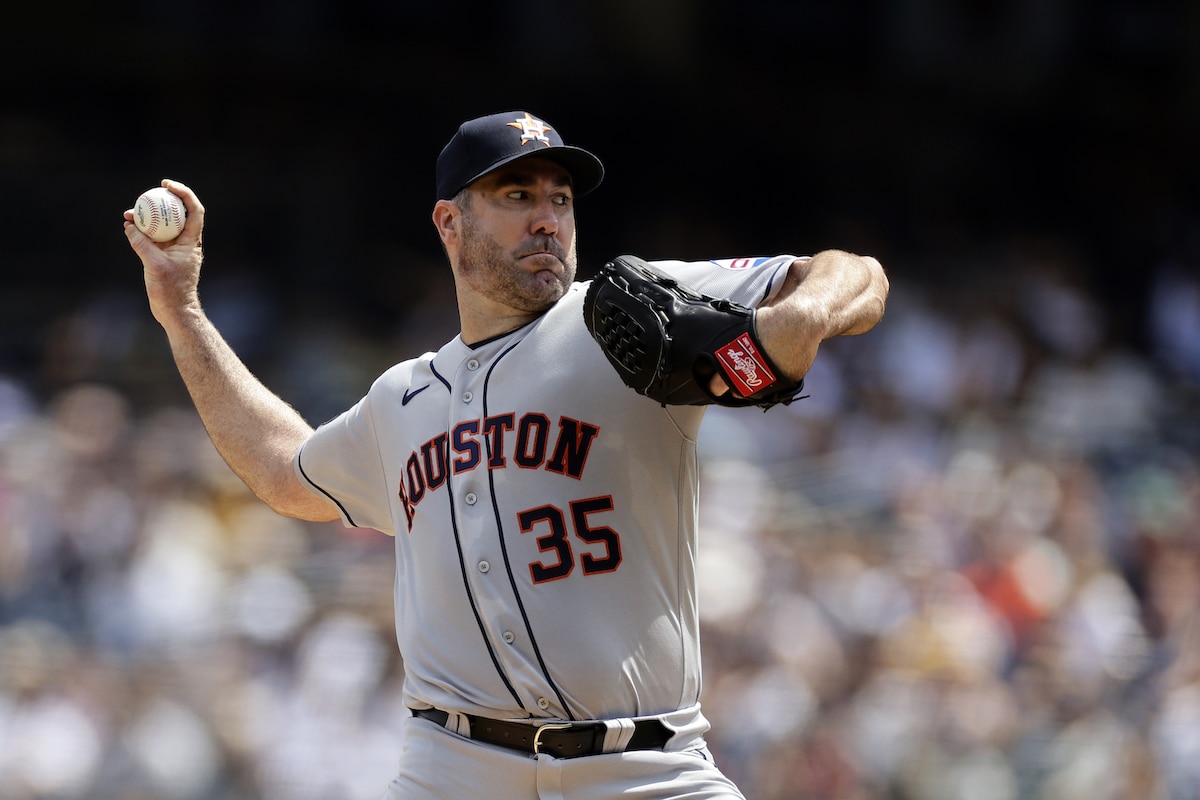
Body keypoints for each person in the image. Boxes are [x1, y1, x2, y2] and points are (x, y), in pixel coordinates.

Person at [123, 110, 889, 800]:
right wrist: (181, 310)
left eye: (560, 197)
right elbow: (286, 474)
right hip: (450, 771)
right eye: (517, 196)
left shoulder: (619, 313)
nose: (548, 219)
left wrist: (801, 317)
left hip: (642, 770)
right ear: (449, 221)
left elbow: (858, 275)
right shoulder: (403, 397)